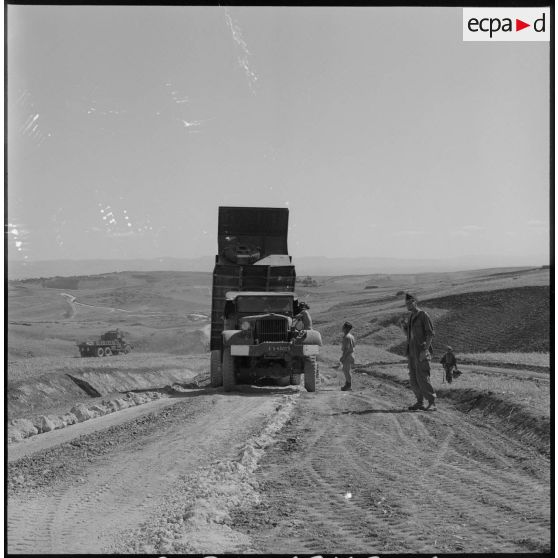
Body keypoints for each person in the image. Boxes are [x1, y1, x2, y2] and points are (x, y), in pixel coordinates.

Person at [404, 293, 437, 411]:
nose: (408, 305)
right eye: (406, 304)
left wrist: (425, 350)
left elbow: (430, 334)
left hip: (421, 351)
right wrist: (404, 328)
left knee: (423, 378)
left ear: (415, 302)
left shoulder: (423, 315)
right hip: (412, 352)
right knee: (413, 379)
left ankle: (432, 402)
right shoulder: (411, 317)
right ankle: (419, 402)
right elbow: (410, 336)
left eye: (410, 303)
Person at [340, 321, 356, 391]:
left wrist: (343, 357)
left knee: (346, 370)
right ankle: (347, 384)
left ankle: (348, 386)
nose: (342, 328)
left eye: (343, 327)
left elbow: (347, 349)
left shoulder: (347, 337)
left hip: (348, 355)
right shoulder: (351, 336)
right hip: (351, 355)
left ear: (346, 328)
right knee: (346, 370)